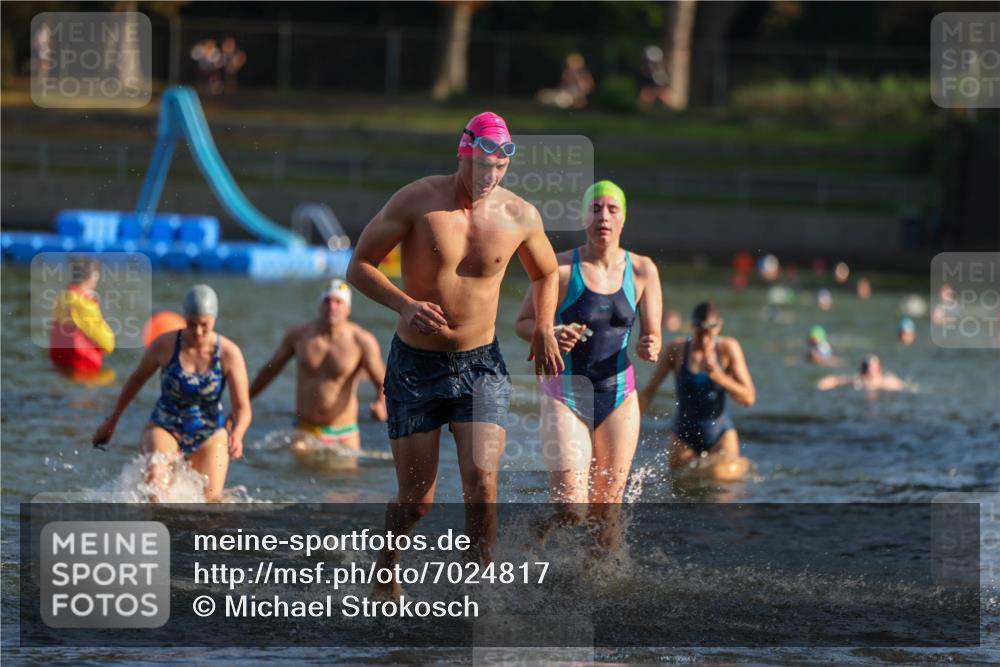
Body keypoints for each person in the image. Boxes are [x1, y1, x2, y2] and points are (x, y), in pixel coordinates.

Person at [346, 111, 562, 597]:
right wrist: (403, 305)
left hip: (482, 364)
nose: (490, 179)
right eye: (483, 167)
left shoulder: (519, 215)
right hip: (416, 366)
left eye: (500, 169)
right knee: (417, 501)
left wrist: (544, 325)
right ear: (464, 154)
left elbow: (546, 274)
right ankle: (386, 568)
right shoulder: (418, 200)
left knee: (483, 484)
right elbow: (358, 266)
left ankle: (479, 594)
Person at [515, 180, 661, 548]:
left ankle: (597, 597)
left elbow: (652, 335)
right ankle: (537, 531)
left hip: (619, 395)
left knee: (605, 519)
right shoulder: (560, 269)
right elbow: (523, 323)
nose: (604, 217)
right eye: (595, 208)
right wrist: (548, 333)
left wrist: (650, 344)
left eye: (612, 209)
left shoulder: (643, 270)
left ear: (624, 219)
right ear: (583, 216)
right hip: (566, 393)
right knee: (571, 508)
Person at [91, 285, 251, 502]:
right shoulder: (165, 345)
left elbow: (243, 408)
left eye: (204, 325)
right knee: (155, 491)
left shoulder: (228, 354)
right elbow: (136, 380)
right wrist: (112, 421)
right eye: (191, 324)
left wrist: (238, 434)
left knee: (210, 506)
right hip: (165, 426)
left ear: (214, 318)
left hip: (209, 433)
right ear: (184, 318)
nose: (197, 332)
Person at [248, 279, 387, 466]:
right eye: (327, 301)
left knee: (343, 490)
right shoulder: (299, 336)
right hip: (305, 431)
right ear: (320, 305)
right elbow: (270, 370)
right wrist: (244, 400)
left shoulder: (361, 341)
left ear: (348, 308)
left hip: (344, 434)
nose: (332, 306)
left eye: (338, 302)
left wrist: (381, 403)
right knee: (299, 484)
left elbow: (384, 382)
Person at [639, 302, 756, 481]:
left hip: (721, 434)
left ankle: (741, 463)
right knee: (682, 482)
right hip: (683, 434)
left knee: (720, 477)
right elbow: (649, 391)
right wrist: (630, 425)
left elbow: (748, 398)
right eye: (699, 333)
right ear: (692, 327)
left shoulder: (728, 348)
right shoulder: (677, 349)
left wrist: (719, 376)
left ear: (719, 327)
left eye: (709, 334)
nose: (703, 340)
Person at [49, 257, 115, 378]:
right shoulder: (84, 303)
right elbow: (107, 343)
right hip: (83, 365)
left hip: (60, 362)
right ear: (91, 276)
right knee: (110, 378)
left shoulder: (62, 296)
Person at [817, 354, 907, 394]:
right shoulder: (858, 379)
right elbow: (836, 380)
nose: (869, 369)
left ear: (878, 368)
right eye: (867, 366)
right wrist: (821, 385)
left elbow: (903, 386)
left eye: (872, 366)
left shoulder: (885, 381)